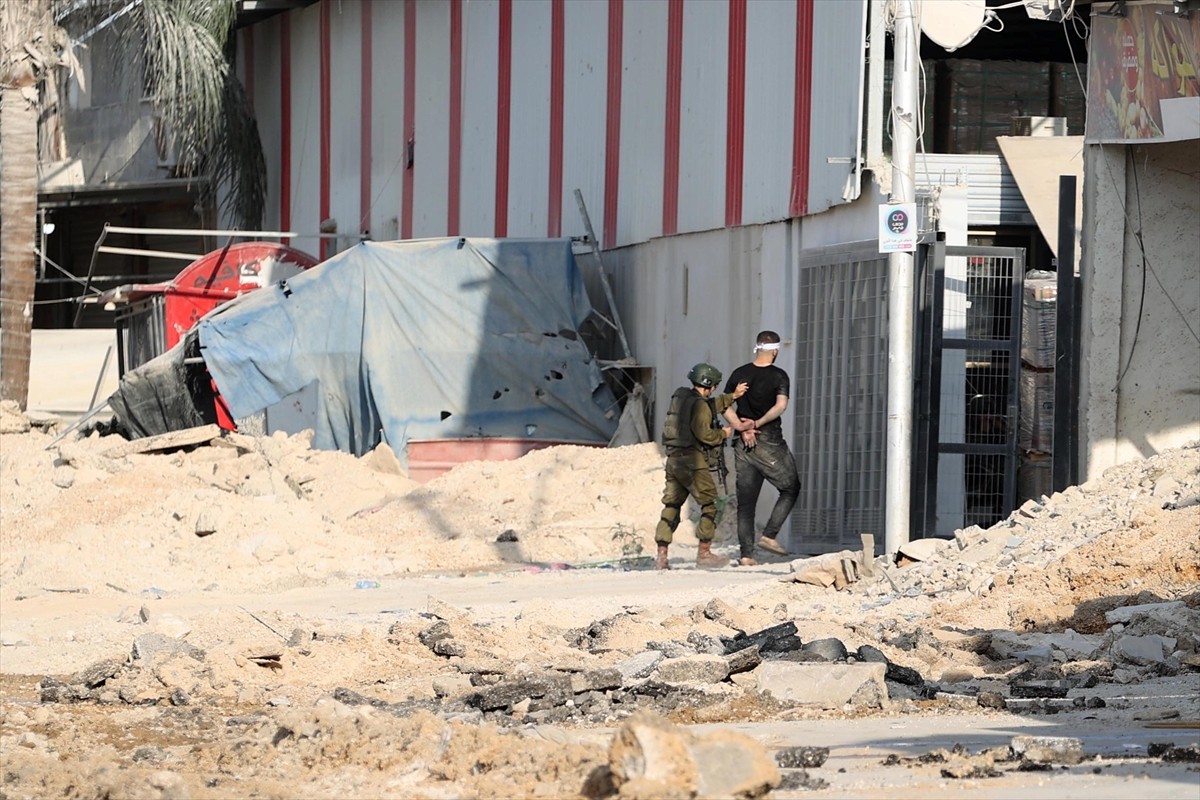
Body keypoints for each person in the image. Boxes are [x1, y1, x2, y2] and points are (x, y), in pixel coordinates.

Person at [655, 363, 749, 570]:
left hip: (673, 461)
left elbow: (707, 405)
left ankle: (661, 556)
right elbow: (705, 434)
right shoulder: (701, 406)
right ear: (711, 385)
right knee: (711, 504)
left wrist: (733, 396)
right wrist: (723, 434)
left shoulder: (681, 397)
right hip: (692, 462)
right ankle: (704, 553)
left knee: (671, 506)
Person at [722, 330, 800, 566]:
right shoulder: (779, 376)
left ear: (758, 348)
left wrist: (740, 427)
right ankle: (769, 535)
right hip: (768, 440)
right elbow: (780, 406)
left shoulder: (739, 373)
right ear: (775, 351)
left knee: (746, 502)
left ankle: (746, 555)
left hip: (742, 444)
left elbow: (725, 404)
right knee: (791, 487)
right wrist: (756, 424)